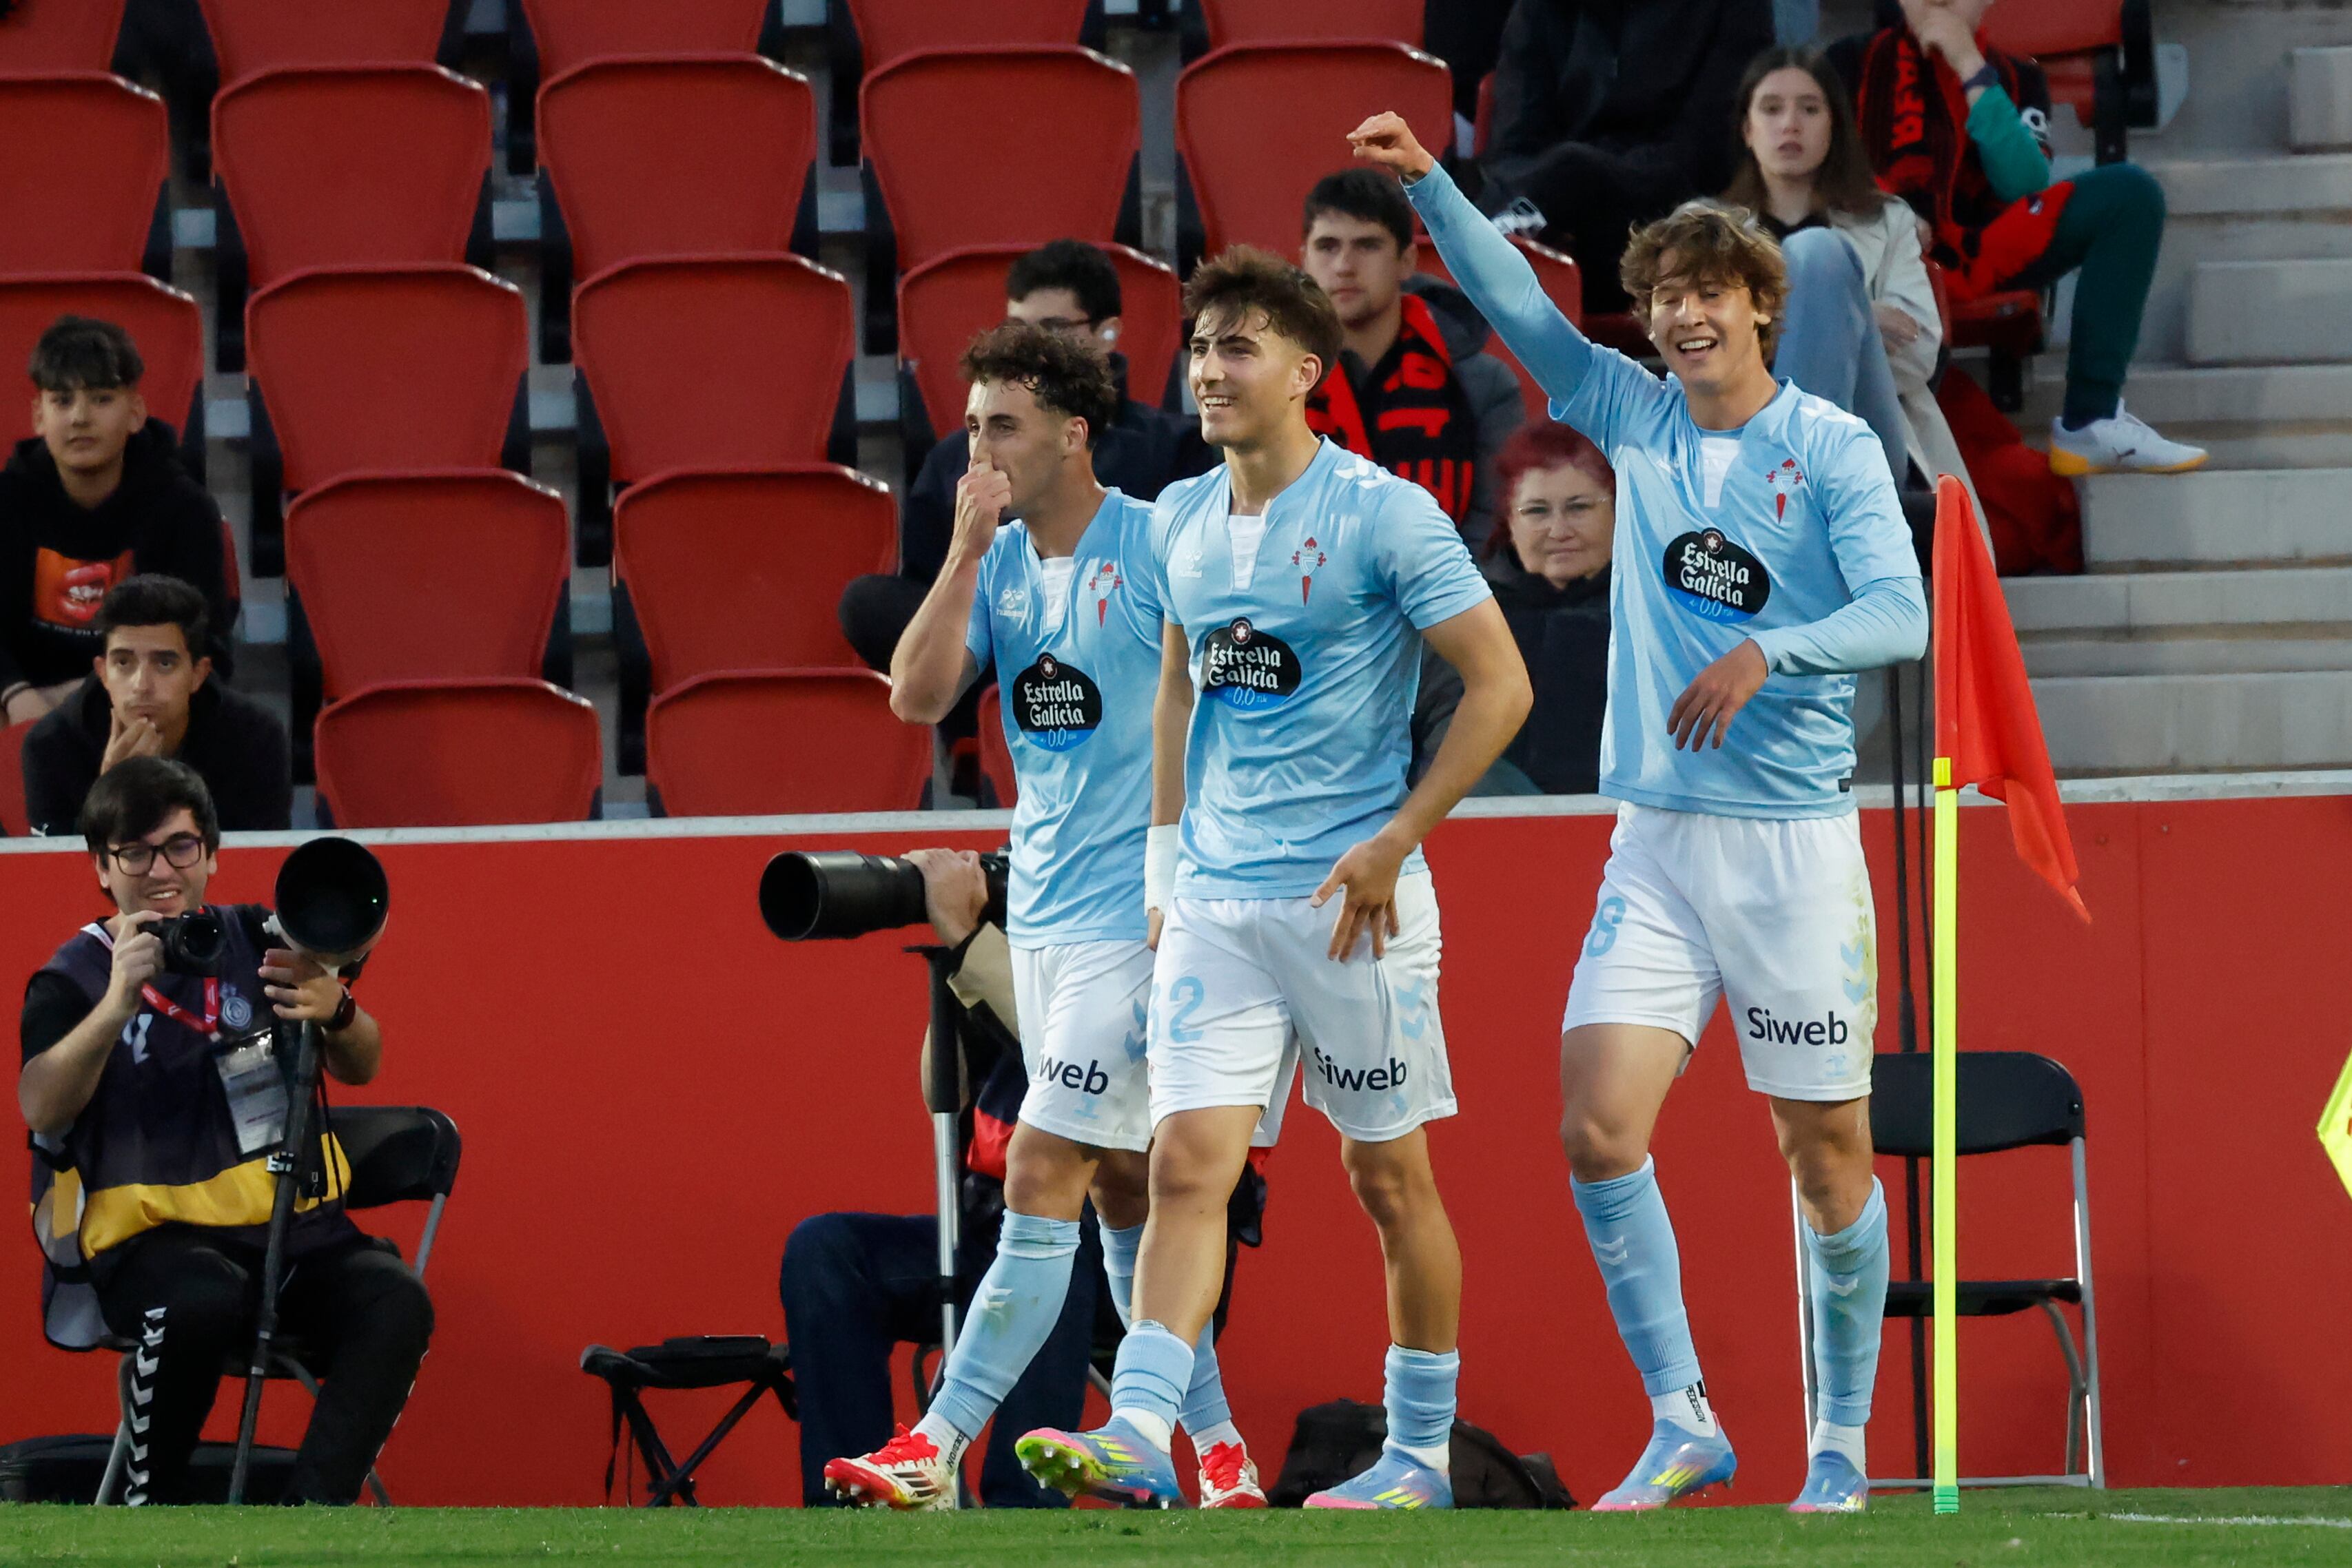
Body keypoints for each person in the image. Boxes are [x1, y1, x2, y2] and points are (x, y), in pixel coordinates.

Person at [1359, 105, 1926, 1514]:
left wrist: (1770, 650)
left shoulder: (1832, 449)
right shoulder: (1631, 413)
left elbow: (1897, 612)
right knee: (1595, 1129)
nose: (1674, 319)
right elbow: (1518, 317)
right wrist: (1429, 183)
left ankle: (1841, 1439)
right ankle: (1683, 1418)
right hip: (1655, 840)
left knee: (1824, 1154)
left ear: (1756, 309)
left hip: (1791, 850)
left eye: (1701, 298)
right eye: (1659, 299)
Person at [1016, 250, 1533, 1512]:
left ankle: (1416, 1453)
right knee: (1187, 1160)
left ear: (1306, 372)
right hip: (1214, 903)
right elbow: (1178, 688)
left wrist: (1397, 839)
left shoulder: (1383, 513)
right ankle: (1144, 1429)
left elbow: (1501, 685)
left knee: (1386, 1179)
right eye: (1198, 345)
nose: (1207, 368)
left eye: (1237, 347)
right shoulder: (1179, 517)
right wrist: (1158, 865)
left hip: (1351, 904)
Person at [822, 324, 1277, 1511]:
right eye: (971, 426)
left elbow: (1225, 701)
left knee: (1037, 1161)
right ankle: (1219, 1450)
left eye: (1002, 425)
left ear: (1073, 437)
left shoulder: (1155, 542)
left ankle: (934, 1443)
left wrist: (1195, 886)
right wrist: (964, 553)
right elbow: (915, 696)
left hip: (1149, 921)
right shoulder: (1002, 564)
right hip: (1052, 924)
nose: (979, 447)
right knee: (1125, 1193)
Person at [17, 758, 428, 1505]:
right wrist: (113, 1007)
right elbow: (41, 1106)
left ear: (210, 851)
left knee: (395, 1300)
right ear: (101, 868)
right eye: (134, 852)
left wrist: (337, 1007)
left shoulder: (263, 942)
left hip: (290, 1235)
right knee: (201, 1296)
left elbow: (361, 1063)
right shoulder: (74, 976)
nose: (160, 868)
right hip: (152, 1245)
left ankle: (310, 1516)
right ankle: (158, 1516)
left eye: (178, 845)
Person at [777, 848, 1108, 1511]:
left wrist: (972, 942)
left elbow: (1073, 1057)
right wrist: (963, 966)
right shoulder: (1018, 964)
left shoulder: (1132, 943)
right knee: (827, 1250)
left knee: (1057, 1252)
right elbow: (942, 1093)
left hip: (1117, 1256)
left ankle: (1023, 1511)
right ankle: (858, 1499)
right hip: (991, 1235)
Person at [1828, 0, 2207, 475]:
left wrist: (1969, 67)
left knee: (2129, 193)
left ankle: (2090, 419)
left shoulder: (2014, 75)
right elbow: (1814, 174)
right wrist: (1891, 218)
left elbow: (2023, 183)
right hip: (1874, 251)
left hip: (1977, 251)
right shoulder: (1846, 63)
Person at [837, 240, 1215, 677]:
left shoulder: (1177, 448)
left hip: (1127, 650)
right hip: (992, 652)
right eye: (1019, 330)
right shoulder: (952, 460)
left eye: (1053, 328)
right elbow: (930, 590)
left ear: (1107, 332)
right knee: (870, 602)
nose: (1034, 349)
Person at [1725, 45, 1983, 518]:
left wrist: (1788, 316)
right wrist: (1854, 313)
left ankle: (1795, 490)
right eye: (1771, 108)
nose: (1789, 124)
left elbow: (1917, 356)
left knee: (1818, 251)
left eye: (1809, 108)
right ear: (1747, 128)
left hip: (1866, 440)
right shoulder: (1704, 231)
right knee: (1815, 259)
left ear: (1833, 126)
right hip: (1735, 438)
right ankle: (1798, 492)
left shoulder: (1887, 221)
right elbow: (1689, 345)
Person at [1, 316, 235, 729]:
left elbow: (206, 650)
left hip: (143, 712)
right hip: (21, 709)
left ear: (135, 412)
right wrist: (16, 695)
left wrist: (81, 702)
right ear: (39, 416)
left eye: (102, 399)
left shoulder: (184, 508)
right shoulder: (7, 501)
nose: (79, 418)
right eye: (61, 401)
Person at [1481, 0, 1777, 314]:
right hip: (1552, 205)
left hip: (1670, 218)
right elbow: (1513, 147)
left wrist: (1584, 176)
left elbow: (1706, 154)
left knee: (1567, 176)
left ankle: (1483, 249)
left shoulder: (1730, 9)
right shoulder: (1540, 10)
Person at [1300, 168, 1525, 556]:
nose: (1343, 266)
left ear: (1407, 261)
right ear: (1304, 258)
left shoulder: (1484, 384)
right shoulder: (1264, 383)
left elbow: (1493, 525)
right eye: (1327, 246)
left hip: (1451, 604)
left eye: (1367, 245)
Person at [21, 575, 290, 837]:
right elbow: (61, 875)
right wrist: (111, 797)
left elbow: (259, 867)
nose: (141, 685)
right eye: (123, 663)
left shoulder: (256, 739)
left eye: (164, 664)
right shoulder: (51, 747)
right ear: (103, 673)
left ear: (198, 674)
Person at [1487, 421, 1615, 796]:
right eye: (1537, 512)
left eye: (1579, 508)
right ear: (1510, 521)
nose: (1559, 531)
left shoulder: (1656, 613)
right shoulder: (1470, 619)